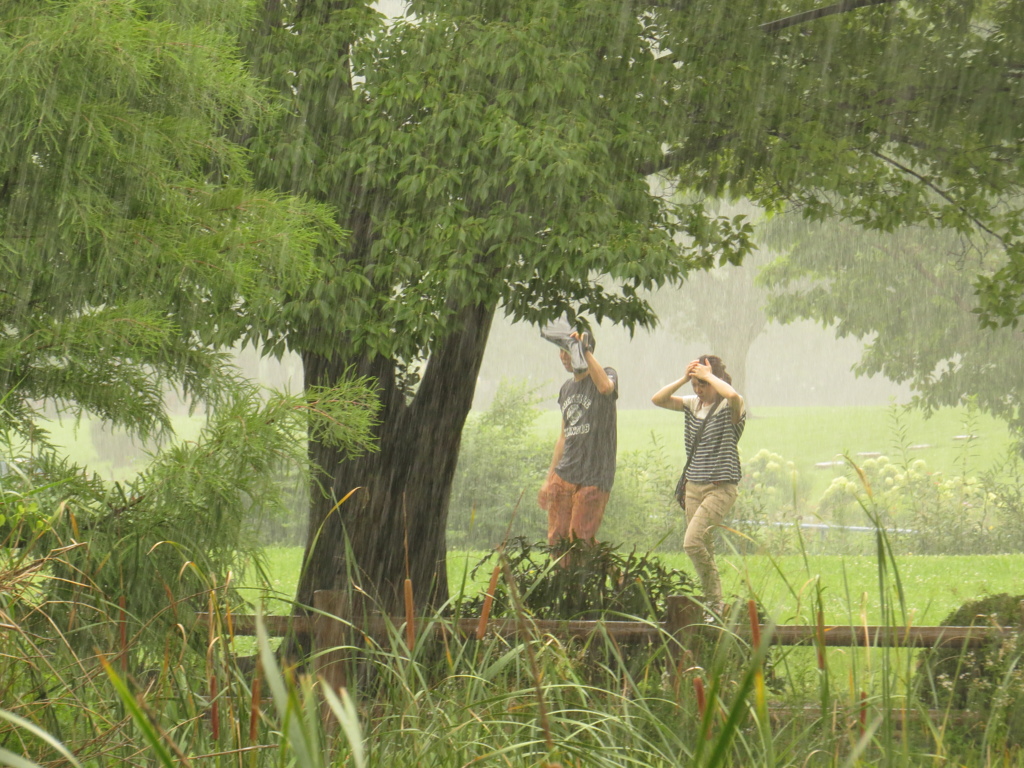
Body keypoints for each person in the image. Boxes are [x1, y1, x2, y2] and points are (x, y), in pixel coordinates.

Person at [651, 355, 745, 613]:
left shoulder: (730, 406)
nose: (699, 390)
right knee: (705, 546)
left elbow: (735, 397)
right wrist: (686, 377)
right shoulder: (693, 405)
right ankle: (713, 606)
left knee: (692, 542)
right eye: (695, 385)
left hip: (721, 487)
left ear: (717, 381)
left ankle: (714, 604)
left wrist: (709, 374)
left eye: (702, 384)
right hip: (693, 486)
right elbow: (657, 399)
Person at [537, 330, 618, 551]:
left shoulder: (606, 374)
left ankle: (610, 576)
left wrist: (586, 351)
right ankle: (563, 583)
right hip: (564, 474)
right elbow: (563, 437)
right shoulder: (566, 389)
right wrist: (549, 479)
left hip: (594, 475)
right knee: (557, 539)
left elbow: (605, 388)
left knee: (580, 539)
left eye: (570, 351)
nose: (564, 357)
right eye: (562, 351)